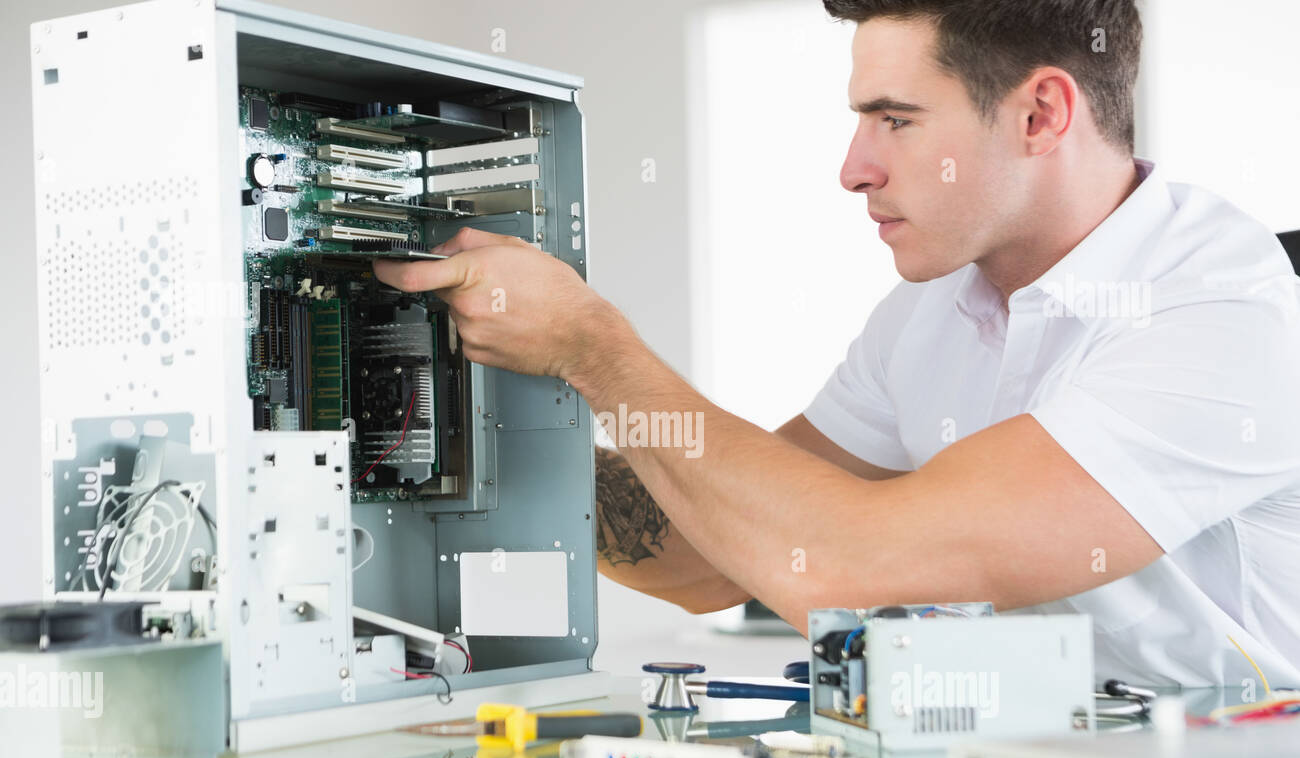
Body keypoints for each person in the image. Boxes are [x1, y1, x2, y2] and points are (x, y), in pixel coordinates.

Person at [373, 0, 1300, 689]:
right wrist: (435, 449)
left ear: (1040, 115)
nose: (854, 168)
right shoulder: (936, 313)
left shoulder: (1222, 313)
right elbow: (712, 559)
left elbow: (854, 567)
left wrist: (595, 350)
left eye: (895, 120)